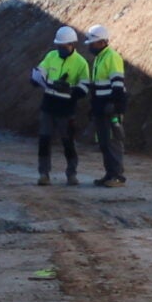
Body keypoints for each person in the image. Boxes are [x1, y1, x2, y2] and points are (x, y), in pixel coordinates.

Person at [29, 24, 90, 185]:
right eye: (59, 46)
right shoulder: (51, 56)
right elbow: (41, 71)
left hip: (66, 109)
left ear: (72, 45)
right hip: (48, 106)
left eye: (63, 46)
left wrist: (70, 89)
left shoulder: (81, 63)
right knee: (44, 141)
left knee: (68, 142)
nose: (60, 49)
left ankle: (71, 174)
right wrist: (36, 79)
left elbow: (85, 88)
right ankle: (44, 174)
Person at [84, 24, 128, 186]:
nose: (90, 46)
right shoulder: (100, 58)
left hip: (110, 108)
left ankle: (117, 176)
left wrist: (114, 105)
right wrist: (94, 107)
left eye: (92, 43)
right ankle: (109, 174)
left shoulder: (111, 57)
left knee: (113, 142)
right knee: (104, 142)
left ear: (101, 42)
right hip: (101, 108)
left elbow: (117, 84)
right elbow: (97, 86)